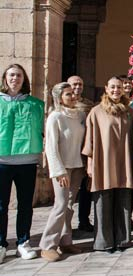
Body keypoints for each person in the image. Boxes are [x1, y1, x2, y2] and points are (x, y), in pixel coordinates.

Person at [82, 76, 133, 253]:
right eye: (112, 87)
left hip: (124, 162)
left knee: (123, 200)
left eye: (119, 87)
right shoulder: (96, 112)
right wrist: (90, 165)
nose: (116, 90)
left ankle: (122, 240)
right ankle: (103, 242)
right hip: (103, 163)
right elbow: (89, 140)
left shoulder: (129, 112)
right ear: (106, 88)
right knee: (103, 203)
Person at [0, 64, 44, 262]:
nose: (14, 79)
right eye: (11, 75)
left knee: (25, 205)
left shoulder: (36, 104)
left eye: (18, 75)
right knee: (1, 205)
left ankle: (23, 242)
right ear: (4, 78)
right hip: (2, 161)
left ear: (23, 79)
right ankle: (1, 243)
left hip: (27, 161)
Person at [39, 82, 86, 261]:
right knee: (60, 205)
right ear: (59, 98)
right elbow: (50, 146)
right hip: (62, 168)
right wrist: (59, 171)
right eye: (68, 94)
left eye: (73, 93)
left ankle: (66, 241)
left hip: (77, 166)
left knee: (69, 205)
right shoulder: (55, 117)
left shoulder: (79, 115)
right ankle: (48, 245)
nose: (73, 96)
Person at [68, 75, 96, 233]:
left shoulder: (88, 105)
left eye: (80, 84)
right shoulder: (61, 104)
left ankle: (83, 220)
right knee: (69, 193)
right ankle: (66, 225)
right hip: (69, 151)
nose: (77, 87)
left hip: (85, 152)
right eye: (74, 84)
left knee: (86, 189)